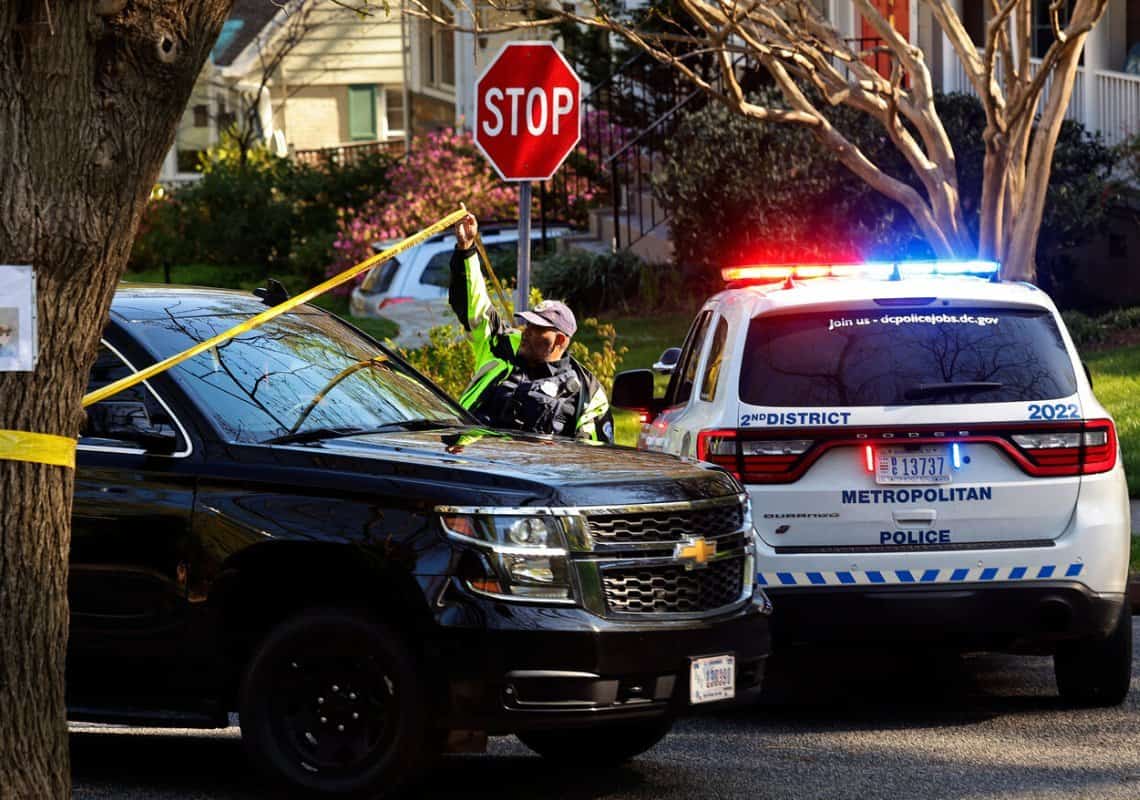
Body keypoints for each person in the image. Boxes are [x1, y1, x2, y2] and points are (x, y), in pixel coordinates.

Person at [447, 213, 614, 443]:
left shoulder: (586, 392)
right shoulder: (502, 345)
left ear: (560, 341)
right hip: (461, 464)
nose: (526, 332)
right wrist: (466, 249)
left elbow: (593, 458)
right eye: (528, 325)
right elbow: (474, 305)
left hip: (525, 475)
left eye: (538, 330)